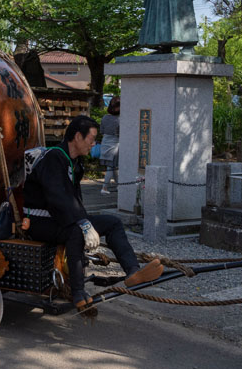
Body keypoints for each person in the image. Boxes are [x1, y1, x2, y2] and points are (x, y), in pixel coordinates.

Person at [23, 115, 163, 311]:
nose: (94, 143)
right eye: (92, 138)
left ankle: (132, 271)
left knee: (112, 223)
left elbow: (74, 200)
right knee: (76, 232)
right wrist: (83, 224)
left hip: (63, 219)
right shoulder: (54, 158)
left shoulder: (75, 162)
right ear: (78, 137)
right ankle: (78, 293)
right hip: (40, 221)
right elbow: (58, 198)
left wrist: (85, 221)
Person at [99, 96, 120, 194]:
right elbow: (121, 134)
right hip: (115, 144)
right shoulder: (119, 119)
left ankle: (119, 185)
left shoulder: (104, 117)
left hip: (105, 142)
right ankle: (105, 188)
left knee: (113, 167)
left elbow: (101, 131)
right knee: (111, 167)